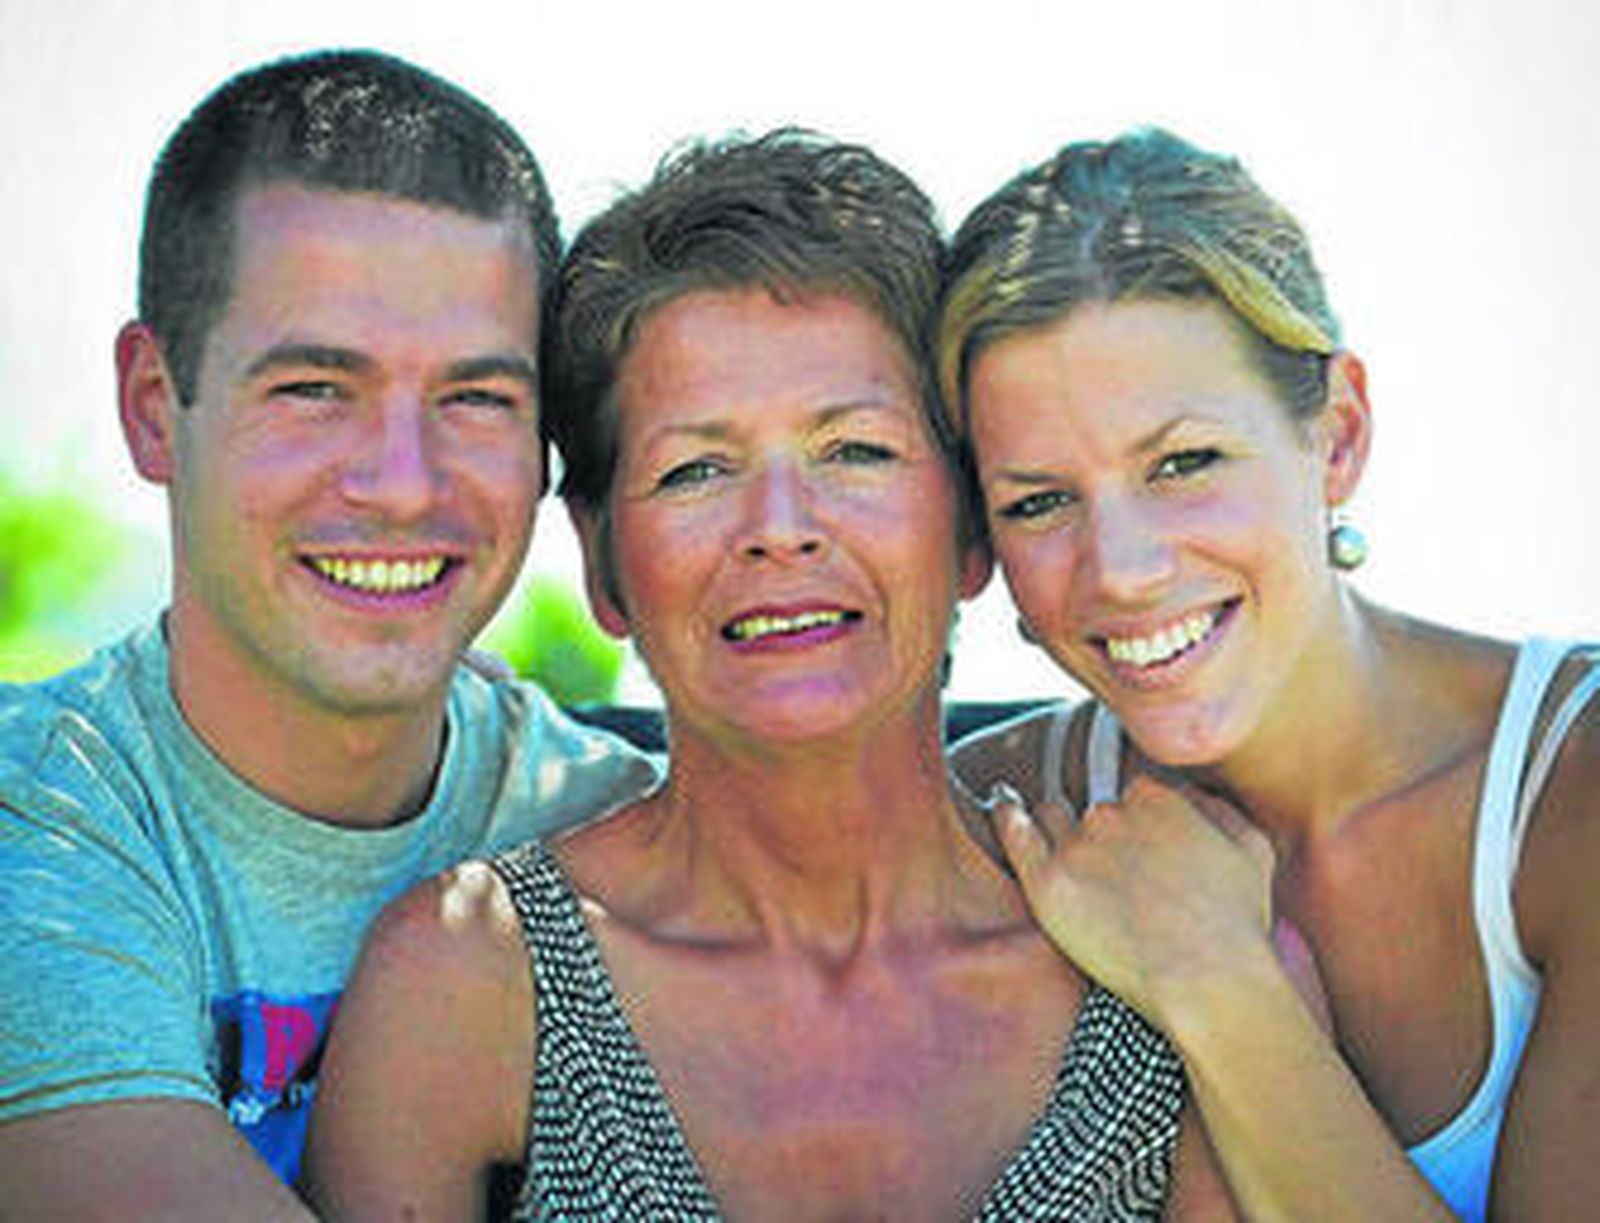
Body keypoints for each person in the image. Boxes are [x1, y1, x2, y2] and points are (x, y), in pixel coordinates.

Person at [304, 129, 1240, 1221]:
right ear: (603, 562)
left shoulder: (1159, 954)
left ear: (972, 530)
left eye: (855, 450)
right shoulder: (467, 978)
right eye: (695, 468)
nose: (779, 530)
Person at [0, 50, 660, 1219]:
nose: (404, 485)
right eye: (315, 387)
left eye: (476, 397)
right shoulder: (37, 825)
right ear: (156, 405)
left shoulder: (618, 825)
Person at [938, 127, 1600, 1221]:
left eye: (1183, 461)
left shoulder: (1572, 793)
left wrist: (1222, 986)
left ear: (1336, 434)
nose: (1125, 570)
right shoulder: (1002, 816)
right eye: (1039, 501)